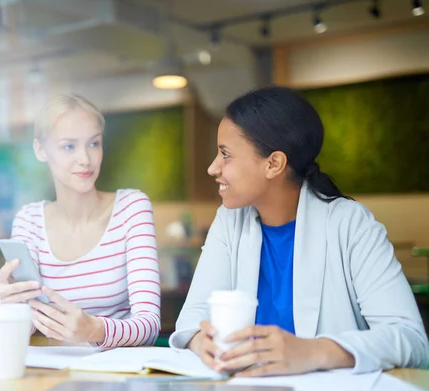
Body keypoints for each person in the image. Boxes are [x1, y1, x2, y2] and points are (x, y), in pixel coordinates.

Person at [170, 86, 429, 376]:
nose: (212, 168)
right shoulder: (229, 221)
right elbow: (193, 315)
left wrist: (312, 351)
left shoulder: (350, 224)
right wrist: (198, 339)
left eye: (225, 154)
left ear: (274, 163)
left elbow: (410, 338)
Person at [0, 94, 160, 347]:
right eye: (69, 146)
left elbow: (149, 326)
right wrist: (12, 309)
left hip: (119, 374)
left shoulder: (131, 208)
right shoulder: (29, 221)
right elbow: (25, 328)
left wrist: (94, 330)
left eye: (94, 143)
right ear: (40, 150)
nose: (85, 159)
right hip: (56, 373)